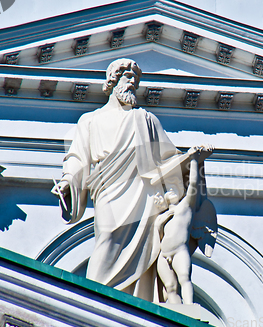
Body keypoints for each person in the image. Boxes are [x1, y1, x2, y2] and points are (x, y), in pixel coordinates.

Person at [52, 58, 186, 301]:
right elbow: (78, 157)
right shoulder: (90, 120)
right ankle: (96, 304)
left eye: (135, 81)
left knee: (144, 250)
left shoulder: (146, 120)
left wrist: (192, 160)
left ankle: (138, 304)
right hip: (108, 188)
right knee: (108, 237)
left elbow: (168, 158)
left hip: (142, 194)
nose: (132, 84)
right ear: (112, 80)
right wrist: (68, 181)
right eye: (127, 77)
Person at [153, 145, 217, 305]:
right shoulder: (162, 217)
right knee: (170, 288)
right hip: (164, 254)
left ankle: (189, 309)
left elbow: (194, 186)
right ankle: (173, 315)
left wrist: (195, 160)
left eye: (175, 188)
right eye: (168, 190)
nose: (171, 191)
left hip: (179, 251)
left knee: (184, 280)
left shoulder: (186, 207)